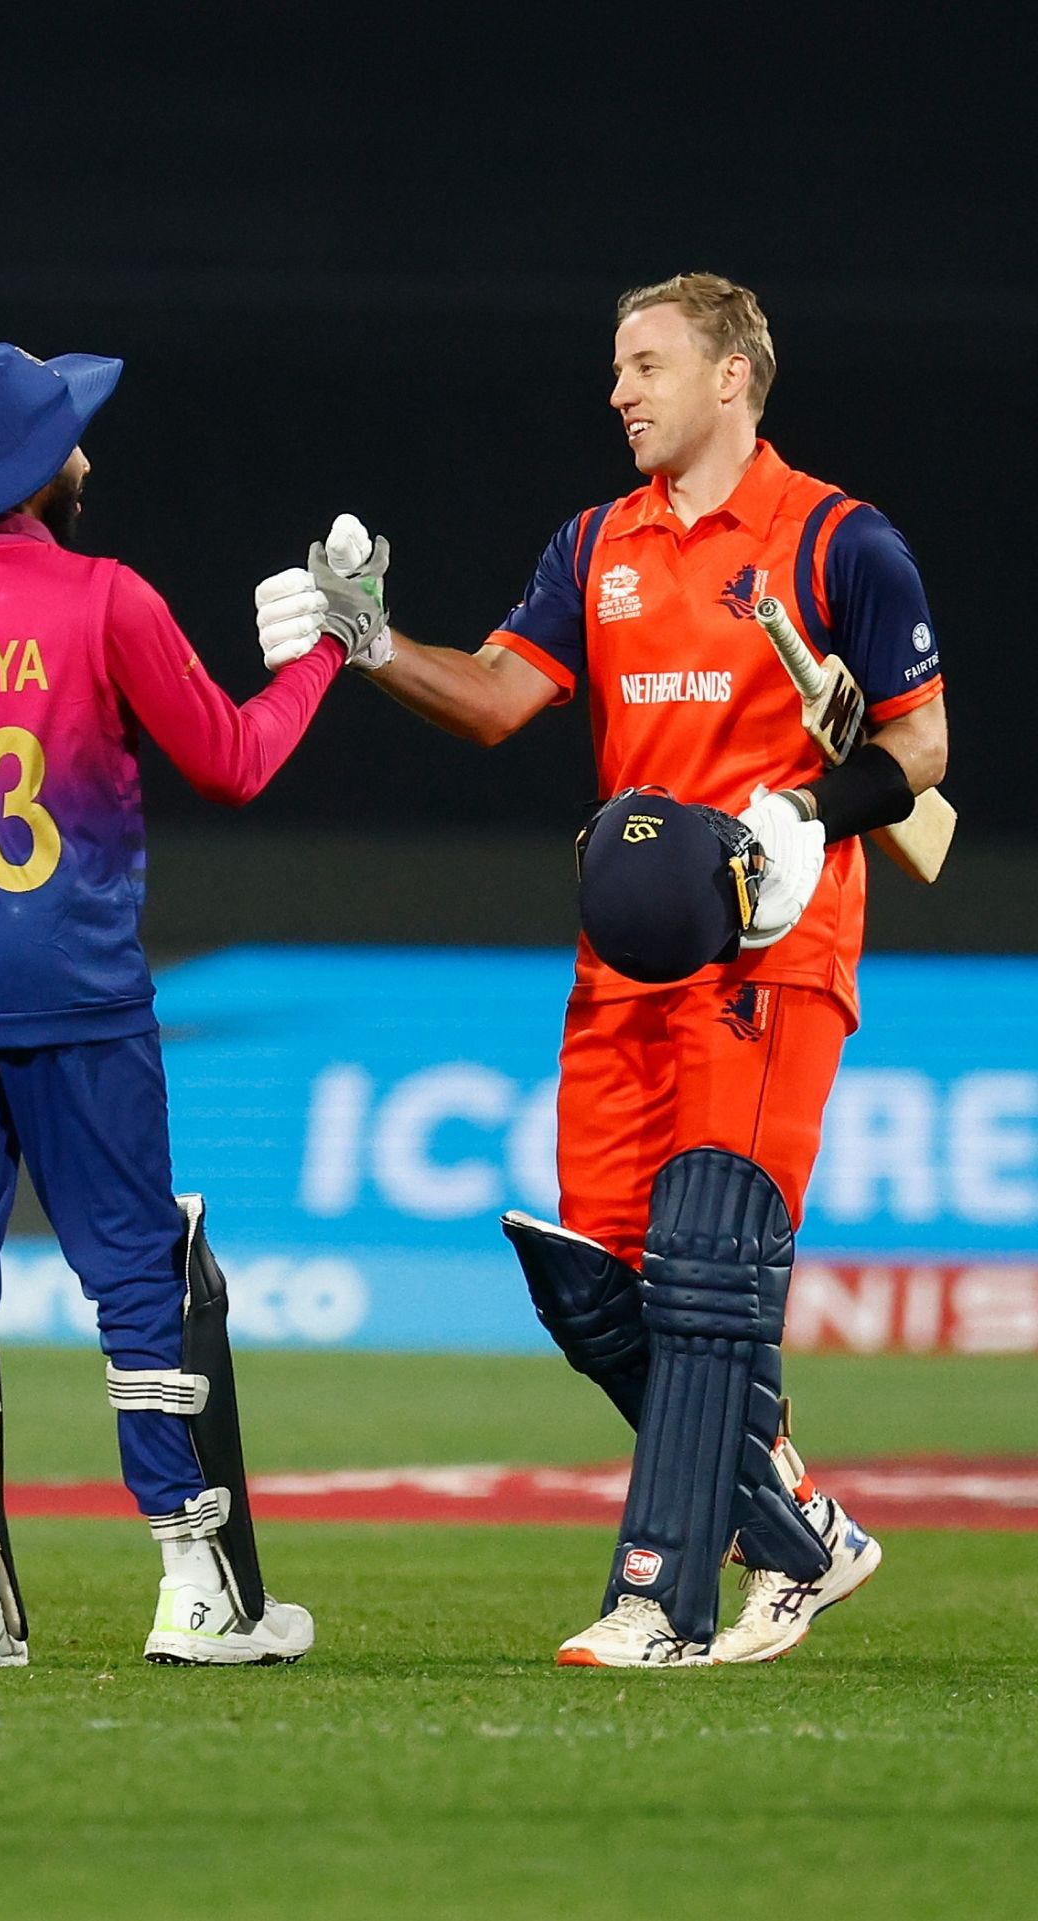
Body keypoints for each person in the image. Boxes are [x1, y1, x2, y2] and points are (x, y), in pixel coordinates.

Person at [279, 273, 947, 1667]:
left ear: (730, 379)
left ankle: (661, 1598)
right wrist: (370, 640)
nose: (619, 390)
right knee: (600, 1286)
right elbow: (499, 700)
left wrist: (808, 813)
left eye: (644, 364)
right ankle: (807, 1535)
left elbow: (921, 754)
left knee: (710, 1263)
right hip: (623, 956)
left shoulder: (843, 541)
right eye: (617, 366)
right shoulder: (597, 544)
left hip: (775, 946)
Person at [0, 341, 383, 1669]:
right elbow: (231, 761)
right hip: (81, 996)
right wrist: (326, 655)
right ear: (42, 469)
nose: (87, 451)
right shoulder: (104, 598)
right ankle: (195, 1585)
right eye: (73, 434)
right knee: (133, 1275)